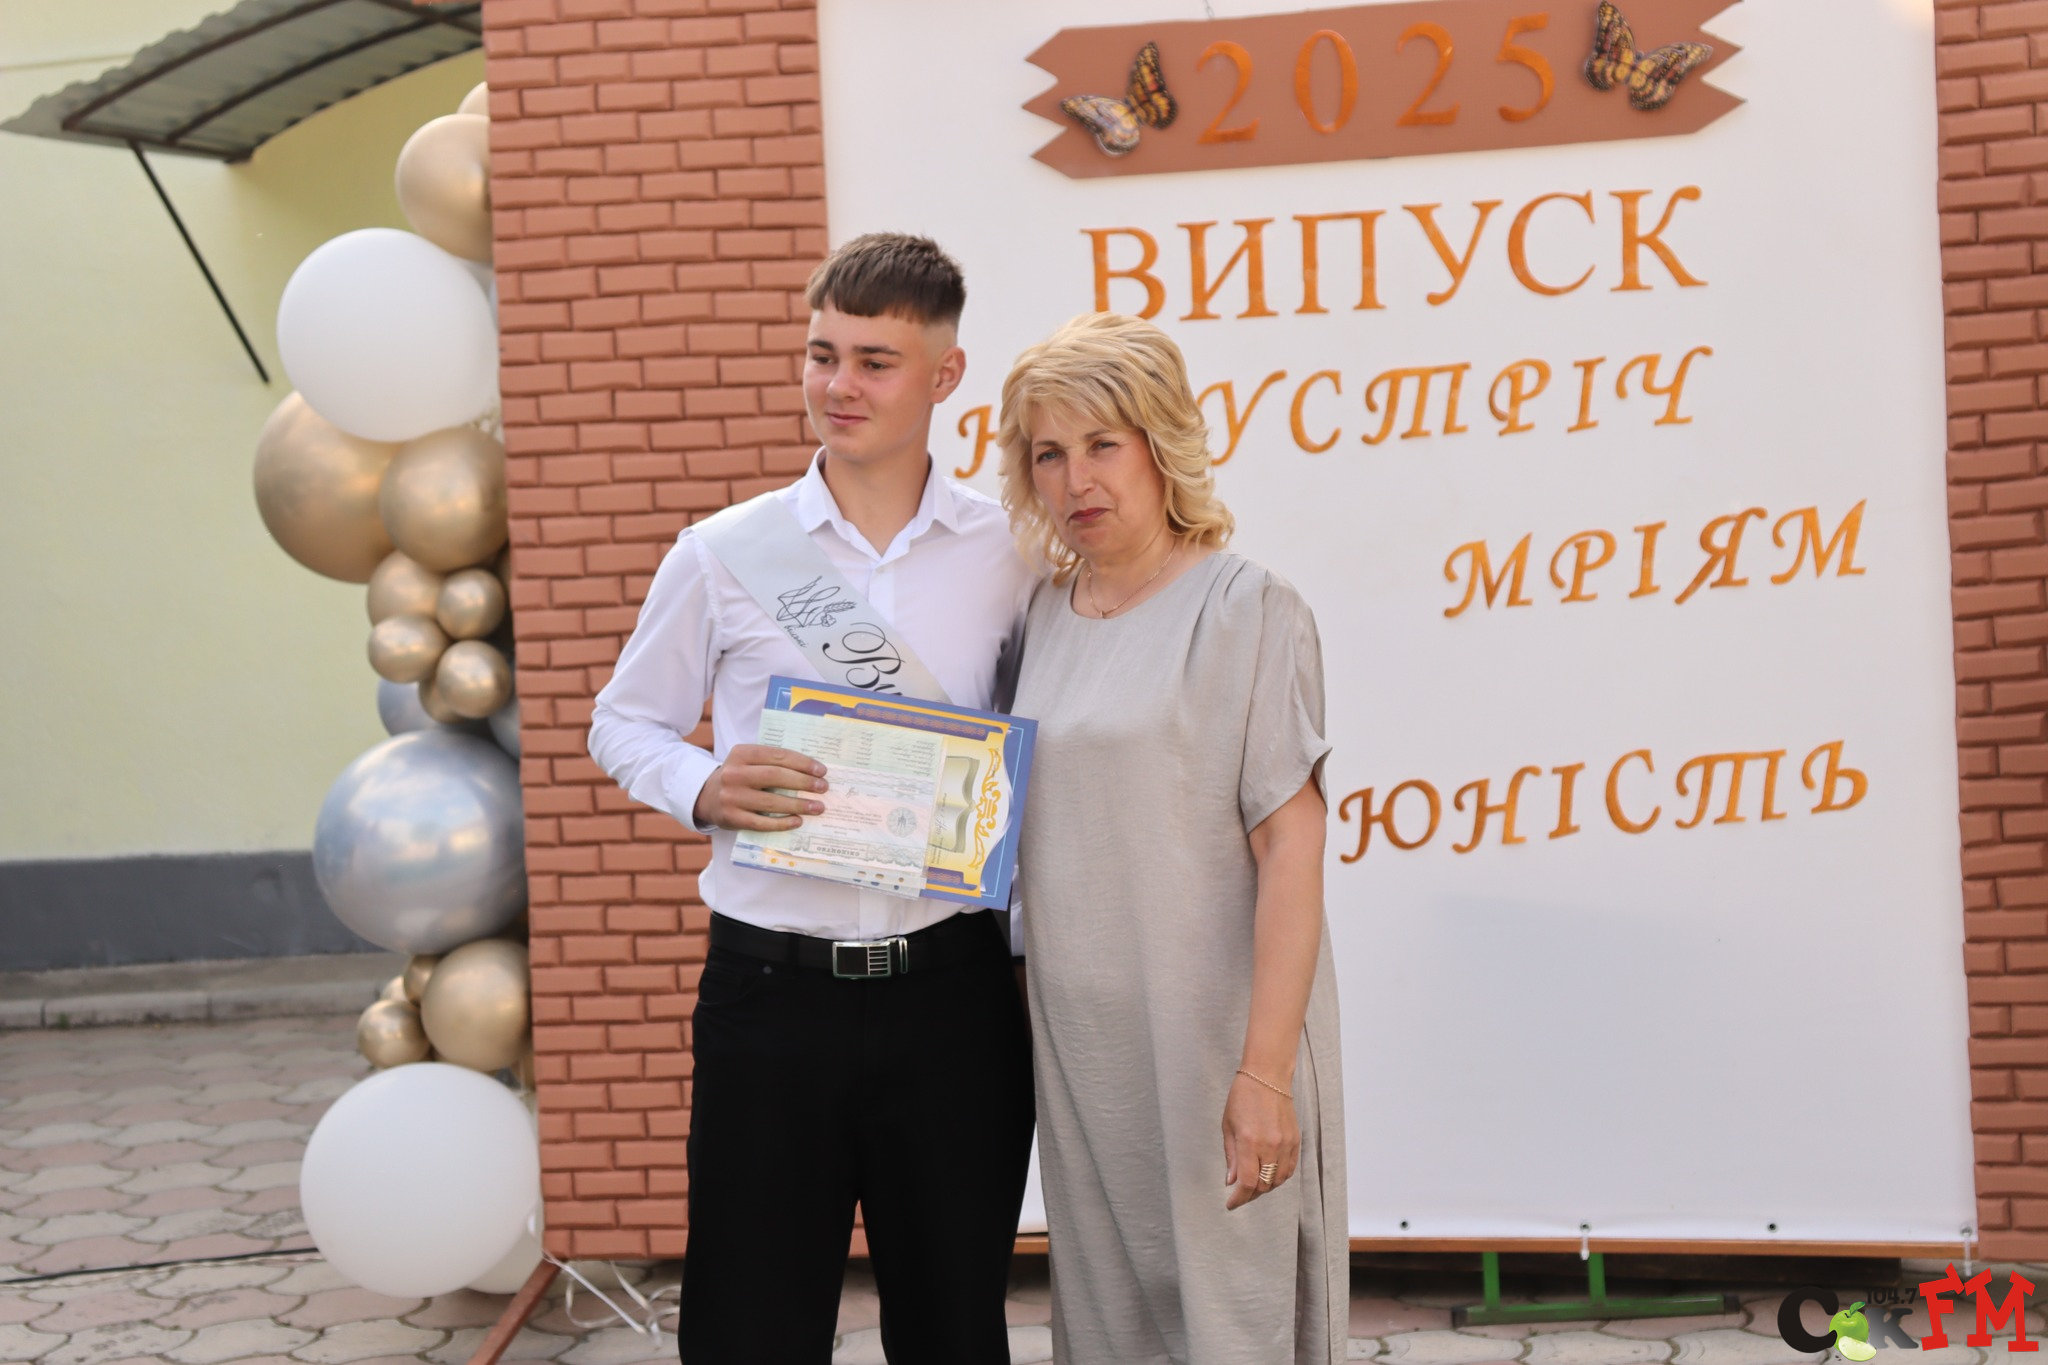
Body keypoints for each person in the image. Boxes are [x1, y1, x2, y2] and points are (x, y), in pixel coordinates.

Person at [587, 233, 1037, 1364]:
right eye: (822, 354)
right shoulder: (726, 552)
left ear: (944, 375)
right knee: (748, 1333)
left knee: (955, 1332)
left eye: (875, 362)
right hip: (770, 1001)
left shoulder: (1010, 552)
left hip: (953, 999)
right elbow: (621, 722)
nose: (839, 384)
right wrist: (701, 783)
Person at [997, 312, 1348, 1365]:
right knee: (1111, 1329)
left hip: (1216, 1046)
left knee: (1232, 1325)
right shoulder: (1039, 619)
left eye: (1102, 444)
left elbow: (1292, 850)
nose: (1076, 480)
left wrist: (1263, 1075)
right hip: (1085, 1056)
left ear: (1161, 443)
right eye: (1048, 453)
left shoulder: (1248, 609)